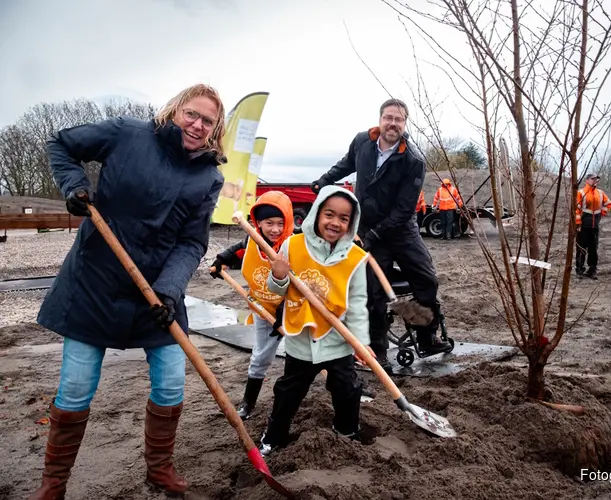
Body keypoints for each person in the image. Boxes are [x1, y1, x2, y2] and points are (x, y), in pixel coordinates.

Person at [30, 84, 226, 498]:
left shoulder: (208, 176)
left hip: (156, 295)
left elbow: (192, 242)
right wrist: (73, 187)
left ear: (215, 130)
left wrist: (170, 290)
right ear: (175, 111)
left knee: (172, 382)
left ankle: (159, 470)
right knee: (76, 387)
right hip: (94, 282)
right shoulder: (127, 134)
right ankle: (53, 485)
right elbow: (61, 144)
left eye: (207, 121)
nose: (197, 124)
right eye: (192, 114)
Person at [311, 98, 450, 374]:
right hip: (367, 227)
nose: (392, 123)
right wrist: (324, 180)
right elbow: (346, 163)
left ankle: (426, 337)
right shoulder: (362, 142)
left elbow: (403, 210)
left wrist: (372, 235)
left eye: (398, 119)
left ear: (405, 124)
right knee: (372, 292)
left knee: (426, 279)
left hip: (401, 230)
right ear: (380, 119)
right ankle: (376, 351)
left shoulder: (413, 160)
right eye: (388, 117)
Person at [258, 185, 371, 456]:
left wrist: (360, 342)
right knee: (289, 390)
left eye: (344, 219)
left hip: (337, 338)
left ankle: (347, 430)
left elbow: (357, 303)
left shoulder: (355, 258)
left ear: (351, 222)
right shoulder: (292, 245)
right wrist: (279, 276)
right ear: (317, 213)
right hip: (302, 338)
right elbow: (277, 291)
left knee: (347, 387)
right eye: (329, 214)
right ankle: (274, 436)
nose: (335, 222)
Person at [209, 191, 294, 419]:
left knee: (307, 355)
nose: (275, 229)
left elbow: (301, 285)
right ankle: (248, 403)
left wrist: (283, 314)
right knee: (261, 356)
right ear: (258, 223)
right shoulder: (251, 239)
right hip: (263, 308)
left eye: (280, 223)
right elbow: (235, 251)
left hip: (293, 310)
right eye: (269, 223)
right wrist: (220, 261)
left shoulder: (293, 245)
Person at [575, 173, 611, 280]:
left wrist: (601, 213)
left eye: (596, 179)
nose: (595, 181)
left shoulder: (600, 193)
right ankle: (579, 270)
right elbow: (576, 209)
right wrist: (578, 223)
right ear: (587, 180)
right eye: (592, 179)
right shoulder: (581, 193)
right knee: (581, 249)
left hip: (594, 226)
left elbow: (609, 204)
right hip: (582, 226)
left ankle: (592, 270)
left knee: (593, 249)